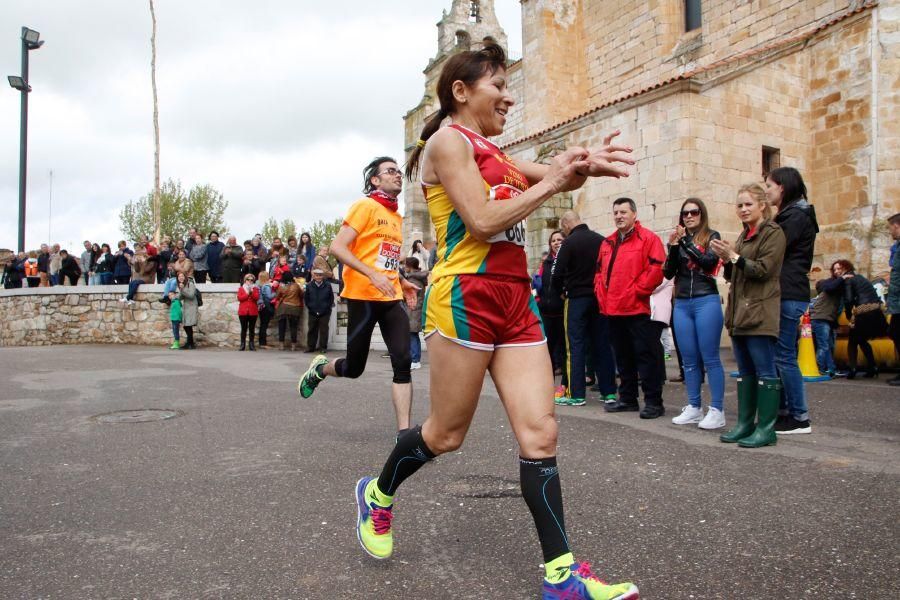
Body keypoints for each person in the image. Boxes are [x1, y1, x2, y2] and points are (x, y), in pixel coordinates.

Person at [319, 44, 638, 599]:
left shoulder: (501, 152)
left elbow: (561, 175)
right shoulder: (447, 143)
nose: (509, 96)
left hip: (516, 299)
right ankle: (378, 494)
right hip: (465, 296)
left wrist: (580, 162)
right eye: (498, 85)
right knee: (446, 435)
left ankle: (561, 577)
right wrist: (555, 183)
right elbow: (486, 220)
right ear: (461, 92)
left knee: (540, 433)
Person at [297, 155, 418, 435]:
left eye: (398, 171)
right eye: (390, 171)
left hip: (390, 298)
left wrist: (402, 280)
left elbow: (382, 259)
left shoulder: (396, 216)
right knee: (354, 368)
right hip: (363, 297)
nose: (397, 175)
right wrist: (371, 275)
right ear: (375, 180)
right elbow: (338, 247)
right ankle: (320, 369)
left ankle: (404, 434)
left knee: (402, 361)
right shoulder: (365, 206)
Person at [712, 183, 786, 447]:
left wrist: (733, 256)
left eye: (748, 205)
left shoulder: (773, 232)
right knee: (745, 371)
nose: (743, 209)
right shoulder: (745, 236)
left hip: (760, 311)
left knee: (765, 370)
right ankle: (745, 424)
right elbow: (736, 274)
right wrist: (725, 257)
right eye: (739, 205)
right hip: (739, 312)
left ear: (762, 205)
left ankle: (766, 429)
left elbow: (764, 270)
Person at [597, 198, 667, 419]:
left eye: (623, 212)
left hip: (636, 308)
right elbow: (599, 273)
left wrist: (636, 291)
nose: (619, 216)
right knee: (623, 356)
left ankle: (654, 402)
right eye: (616, 212)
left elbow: (656, 268)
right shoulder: (607, 242)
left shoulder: (648, 239)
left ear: (634, 214)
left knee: (646, 357)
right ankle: (628, 398)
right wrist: (602, 295)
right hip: (613, 309)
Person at [664, 198, 726, 429]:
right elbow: (668, 272)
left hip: (705, 300)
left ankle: (717, 409)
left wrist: (685, 243)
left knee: (710, 358)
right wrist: (672, 247)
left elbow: (709, 263)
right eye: (685, 213)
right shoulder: (679, 242)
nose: (689, 216)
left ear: (702, 214)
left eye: (694, 212)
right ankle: (694, 407)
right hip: (682, 303)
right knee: (688, 359)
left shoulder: (712, 236)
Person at [766, 166, 818, 434]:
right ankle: (786, 412)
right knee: (780, 355)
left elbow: (774, 249)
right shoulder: (792, 214)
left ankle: (799, 417)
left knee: (785, 356)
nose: (767, 191)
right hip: (787, 291)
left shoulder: (795, 216)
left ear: (782, 187)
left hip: (789, 291)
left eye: (770, 186)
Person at [552, 211, 618, 407]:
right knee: (602, 345)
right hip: (598, 299)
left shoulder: (569, 243)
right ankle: (609, 392)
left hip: (576, 299)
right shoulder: (601, 240)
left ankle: (577, 394)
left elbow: (556, 274)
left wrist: (560, 292)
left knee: (575, 346)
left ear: (565, 225)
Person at [833, 259, 888, 379]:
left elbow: (848, 299)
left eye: (839, 269)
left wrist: (848, 315)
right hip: (875, 312)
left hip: (863, 312)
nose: (836, 271)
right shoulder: (861, 277)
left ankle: (852, 370)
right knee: (862, 340)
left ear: (846, 268)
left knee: (852, 341)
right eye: (835, 269)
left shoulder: (848, 279)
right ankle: (872, 367)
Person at [535, 231, 566, 376]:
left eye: (559, 239)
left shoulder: (566, 260)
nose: (556, 242)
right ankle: (549, 372)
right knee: (548, 344)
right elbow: (538, 283)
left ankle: (563, 372)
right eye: (553, 240)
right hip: (546, 311)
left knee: (562, 345)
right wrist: (538, 300)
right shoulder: (546, 262)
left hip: (561, 310)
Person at [809, 265, 845, 378]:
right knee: (824, 345)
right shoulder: (831, 288)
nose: (837, 272)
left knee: (827, 346)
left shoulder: (832, 291)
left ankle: (831, 369)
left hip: (824, 319)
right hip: (820, 319)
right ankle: (819, 369)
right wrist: (842, 278)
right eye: (835, 270)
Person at [403, 257, 429, 369]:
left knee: (412, 335)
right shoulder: (418, 277)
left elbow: (410, 296)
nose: (404, 267)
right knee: (413, 335)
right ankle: (415, 359)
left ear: (410, 266)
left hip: (412, 310)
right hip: (415, 310)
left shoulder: (413, 279)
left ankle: (415, 360)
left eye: (405, 265)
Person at [305, 268, 335, 353]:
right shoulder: (309, 286)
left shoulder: (328, 285)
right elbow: (306, 299)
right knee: (312, 329)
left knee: (324, 330)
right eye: (317, 275)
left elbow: (331, 299)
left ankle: (323, 348)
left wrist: (326, 308)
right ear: (313, 276)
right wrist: (311, 308)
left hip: (325, 312)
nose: (318, 277)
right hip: (312, 312)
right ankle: (311, 347)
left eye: (320, 275)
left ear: (323, 276)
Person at [887, 213, 900, 386]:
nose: (890, 232)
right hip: (897, 300)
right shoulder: (897, 247)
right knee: (895, 332)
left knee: (896, 332)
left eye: (890, 228)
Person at [275, 270, 303, 351]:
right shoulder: (296, 286)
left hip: (283, 308)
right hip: (295, 308)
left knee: (281, 327)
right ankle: (293, 346)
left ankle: (281, 345)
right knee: (293, 327)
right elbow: (301, 295)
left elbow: (277, 297)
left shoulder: (281, 286)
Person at [237, 272, 260, 351]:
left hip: (253, 311)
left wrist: (251, 292)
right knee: (243, 328)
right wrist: (247, 293)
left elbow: (256, 298)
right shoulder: (241, 288)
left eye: (251, 280)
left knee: (251, 329)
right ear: (245, 280)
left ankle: (251, 344)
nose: (250, 281)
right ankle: (242, 344)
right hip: (243, 312)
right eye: (248, 279)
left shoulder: (255, 289)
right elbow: (240, 298)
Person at [177, 271, 198, 349]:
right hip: (186, 307)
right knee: (186, 326)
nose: (180, 278)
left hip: (191, 307)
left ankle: (189, 343)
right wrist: (180, 290)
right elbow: (180, 297)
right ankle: (190, 343)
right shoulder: (183, 285)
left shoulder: (190, 284)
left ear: (185, 277)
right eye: (179, 277)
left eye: (182, 276)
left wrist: (182, 290)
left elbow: (191, 295)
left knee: (188, 325)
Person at [257, 271, 276, 349]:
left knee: (262, 325)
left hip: (261, 307)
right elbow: (269, 296)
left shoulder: (259, 285)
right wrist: (276, 292)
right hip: (266, 307)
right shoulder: (266, 286)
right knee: (264, 325)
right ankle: (263, 343)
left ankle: (262, 342)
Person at [168, 285, 182, 349]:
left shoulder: (176, 301)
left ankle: (176, 344)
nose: (170, 296)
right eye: (169, 295)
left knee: (176, 331)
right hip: (173, 319)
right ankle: (176, 343)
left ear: (174, 295)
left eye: (171, 295)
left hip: (176, 319)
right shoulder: (173, 302)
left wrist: (180, 319)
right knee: (174, 331)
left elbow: (179, 311)